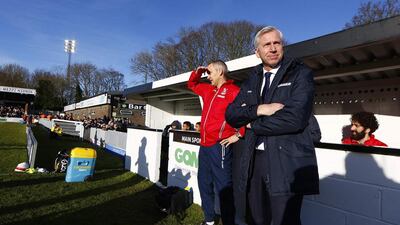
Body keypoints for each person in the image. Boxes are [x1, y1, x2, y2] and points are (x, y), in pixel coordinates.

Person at [225, 26, 319, 225]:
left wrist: (251, 125)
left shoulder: (300, 73)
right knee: (257, 218)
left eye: (277, 43)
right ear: (257, 52)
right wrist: (260, 109)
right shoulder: (252, 79)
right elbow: (232, 114)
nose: (273, 48)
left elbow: (295, 118)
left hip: (285, 160)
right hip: (254, 159)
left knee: (284, 220)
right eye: (266, 44)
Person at [188, 60, 245, 225]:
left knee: (223, 188)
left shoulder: (234, 91)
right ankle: (209, 220)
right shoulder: (208, 90)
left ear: (220, 72)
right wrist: (198, 72)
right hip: (204, 145)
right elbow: (192, 84)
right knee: (204, 184)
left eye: (210, 73)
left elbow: (245, 112)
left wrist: (239, 134)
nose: (208, 77)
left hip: (219, 146)